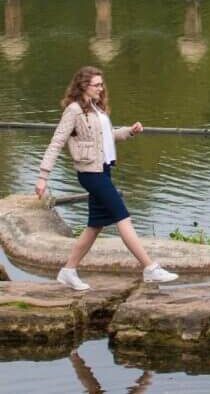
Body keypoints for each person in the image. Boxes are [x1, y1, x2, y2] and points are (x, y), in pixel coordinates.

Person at [35, 65, 178, 291]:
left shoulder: (96, 108)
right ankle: (150, 268)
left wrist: (130, 131)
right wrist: (43, 177)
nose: (101, 89)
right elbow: (56, 142)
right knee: (123, 217)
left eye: (102, 84)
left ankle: (68, 271)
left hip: (103, 170)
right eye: (97, 85)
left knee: (95, 226)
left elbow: (107, 137)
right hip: (90, 174)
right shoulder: (73, 110)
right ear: (83, 86)